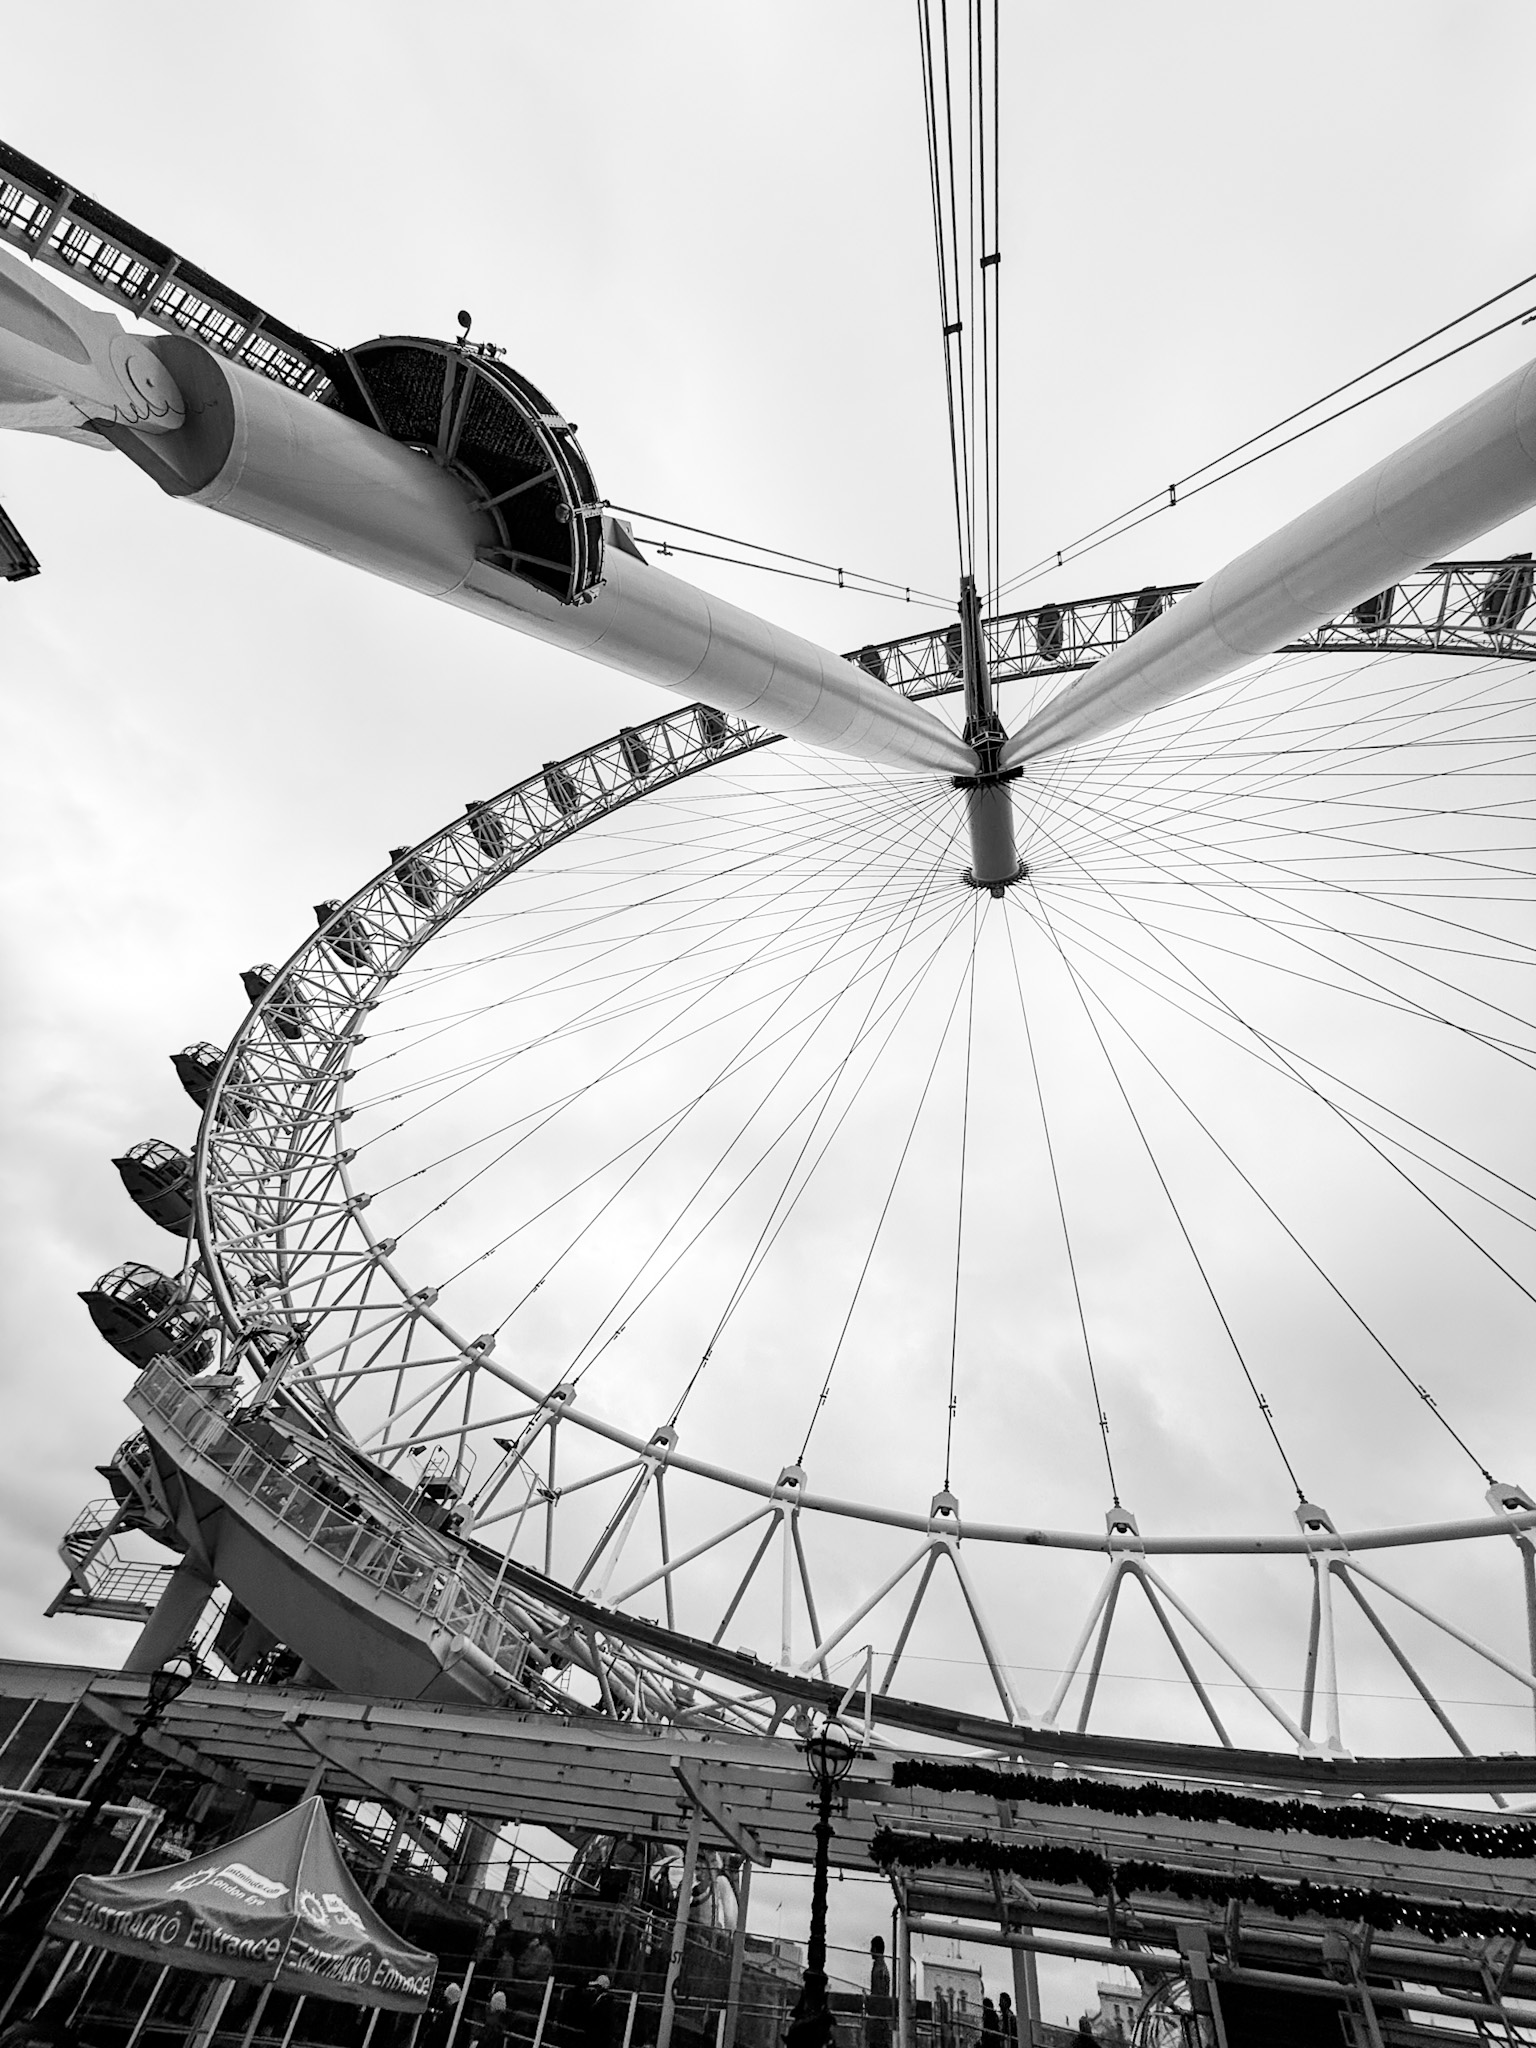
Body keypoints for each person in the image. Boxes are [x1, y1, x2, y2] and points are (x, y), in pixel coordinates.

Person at [866, 1935, 892, 2048]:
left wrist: (870, 2001)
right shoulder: (882, 1967)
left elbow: (879, 1993)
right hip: (879, 2016)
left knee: (877, 2043)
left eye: (872, 1948)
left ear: (875, 1949)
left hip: (878, 2016)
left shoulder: (880, 1969)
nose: (870, 1951)